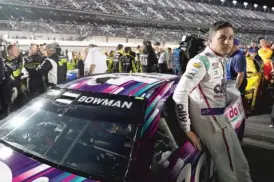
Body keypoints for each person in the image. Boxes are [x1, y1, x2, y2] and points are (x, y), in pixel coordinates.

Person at [173, 21, 252, 182]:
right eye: (222, 37)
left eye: (230, 38)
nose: (227, 42)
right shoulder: (201, 62)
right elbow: (180, 93)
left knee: (241, 165)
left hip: (222, 121)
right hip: (211, 126)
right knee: (228, 172)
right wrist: (187, 129)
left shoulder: (220, 58)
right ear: (210, 39)